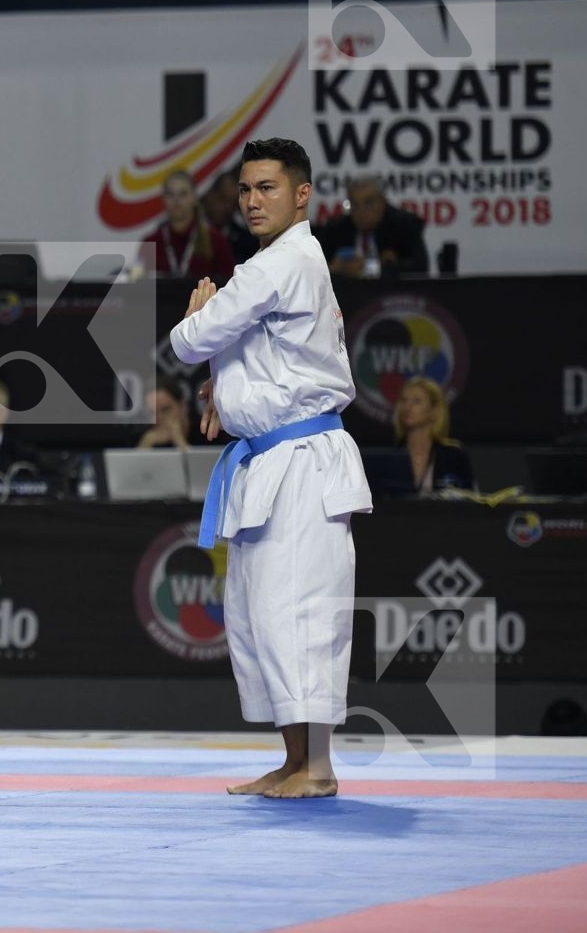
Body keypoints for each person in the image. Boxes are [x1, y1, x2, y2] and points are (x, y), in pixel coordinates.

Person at [169, 138, 372, 800]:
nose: (254, 201)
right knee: (260, 614)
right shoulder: (279, 264)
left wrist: (200, 316)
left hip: (300, 463)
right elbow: (260, 356)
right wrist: (220, 387)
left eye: (269, 188)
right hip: (270, 459)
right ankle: (293, 762)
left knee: (298, 611)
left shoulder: (279, 263)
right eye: (247, 190)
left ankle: (317, 768)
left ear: (303, 194)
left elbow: (190, 339)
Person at [317, 175, 430, 277]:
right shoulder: (336, 228)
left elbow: (420, 266)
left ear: (382, 202)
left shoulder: (404, 224)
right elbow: (314, 269)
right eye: (355, 204)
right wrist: (334, 268)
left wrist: (374, 268)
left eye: (369, 203)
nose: (361, 212)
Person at [139, 170, 235, 283]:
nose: (176, 201)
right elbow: (140, 292)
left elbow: (228, 286)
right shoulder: (151, 243)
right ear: (163, 200)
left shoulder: (216, 241)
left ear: (194, 198)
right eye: (170, 194)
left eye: (183, 194)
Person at [393, 376, 477, 493]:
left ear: (434, 410)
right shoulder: (391, 456)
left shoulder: (455, 457)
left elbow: (471, 501)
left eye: (417, 401)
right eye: (404, 400)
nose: (407, 407)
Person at [202, 167, 259, 265]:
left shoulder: (246, 240)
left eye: (233, 203)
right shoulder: (191, 233)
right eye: (223, 199)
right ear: (209, 196)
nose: (228, 208)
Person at [136, 375, 196, 450]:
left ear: (183, 406)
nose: (159, 419)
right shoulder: (144, 437)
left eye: (166, 410)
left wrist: (180, 442)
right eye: (152, 413)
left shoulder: (207, 433)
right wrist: (144, 447)